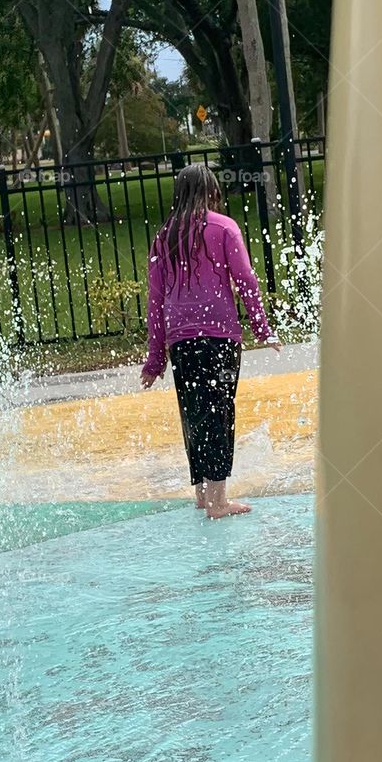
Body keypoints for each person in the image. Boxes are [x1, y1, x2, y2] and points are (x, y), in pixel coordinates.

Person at [141, 164, 280, 517]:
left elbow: (155, 301)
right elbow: (246, 280)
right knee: (218, 412)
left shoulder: (163, 237)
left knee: (193, 412)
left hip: (180, 341)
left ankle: (202, 493)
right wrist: (262, 329)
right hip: (219, 337)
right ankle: (218, 502)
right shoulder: (223, 228)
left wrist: (155, 360)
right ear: (211, 192)